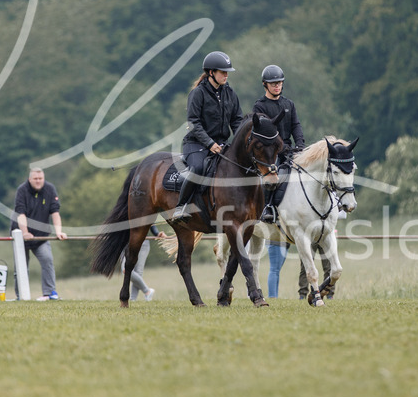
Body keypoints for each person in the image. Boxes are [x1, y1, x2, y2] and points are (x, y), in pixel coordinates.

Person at [253, 63, 306, 297]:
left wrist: (301, 145)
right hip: (271, 154)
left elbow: (296, 125)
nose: (277, 86)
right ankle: (267, 209)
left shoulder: (289, 104)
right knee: (274, 179)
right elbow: (265, 131)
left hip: (290, 152)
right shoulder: (260, 106)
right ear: (266, 85)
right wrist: (281, 149)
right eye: (274, 83)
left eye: (280, 82)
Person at [172, 51, 243, 223]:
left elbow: (237, 121)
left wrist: (240, 142)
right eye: (222, 72)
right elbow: (194, 123)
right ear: (211, 72)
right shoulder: (198, 93)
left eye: (227, 72)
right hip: (196, 144)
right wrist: (210, 143)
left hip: (221, 144)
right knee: (197, 168)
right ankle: (181, 207)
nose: (226, 75)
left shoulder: (230, 94)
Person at [12, 167, 67, 301]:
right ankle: (21, 296)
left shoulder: (50, 189)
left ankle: (49, 294)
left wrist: (58, 231)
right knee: (20, 267)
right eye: (35, 179)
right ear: (30, 179)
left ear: (44, 178)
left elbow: (55, 212)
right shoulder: (22, 190)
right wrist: (25, 233)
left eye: (40, 178)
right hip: (21, 236)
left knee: (47, 260)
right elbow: (21, 214)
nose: (38, 181)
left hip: (41, 237)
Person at [122, 225, 161, 301]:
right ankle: (147, 291)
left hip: (143, 243)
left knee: (138, 272)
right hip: (127, 243)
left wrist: (157, 233)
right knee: (125, 269)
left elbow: (151, 223)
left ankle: (133, 299)